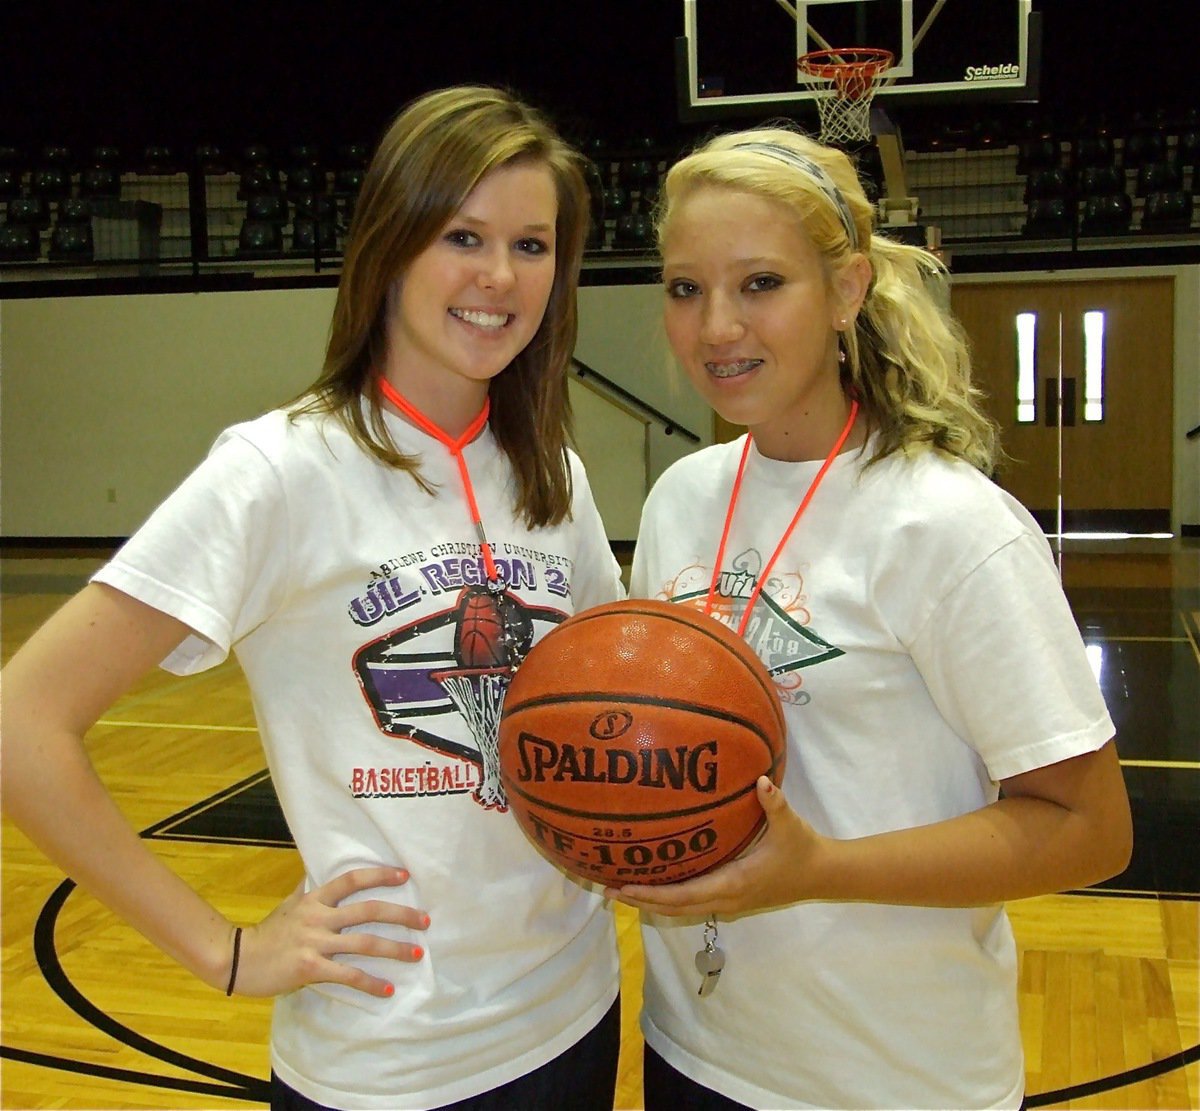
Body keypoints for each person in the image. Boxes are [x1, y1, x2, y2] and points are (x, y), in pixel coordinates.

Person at [1, 86, 626, 1111]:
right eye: (462, 234)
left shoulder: (550, 469)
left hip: (572, 1014)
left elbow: (601, 690)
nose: (500, 276)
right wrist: (227, 951)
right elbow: (20, 724)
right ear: (391, 243)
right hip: (388, 1062)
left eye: (533, 244)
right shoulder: (278, 470)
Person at [611, 126, 1133, 1110]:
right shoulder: (682, 496)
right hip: (693, 1053)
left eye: (761, 283)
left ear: (847, 290)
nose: (716, 325)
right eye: (685, 288)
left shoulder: (949, 525)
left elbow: (1091, 830)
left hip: (892, 1081)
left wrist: (817, 869)